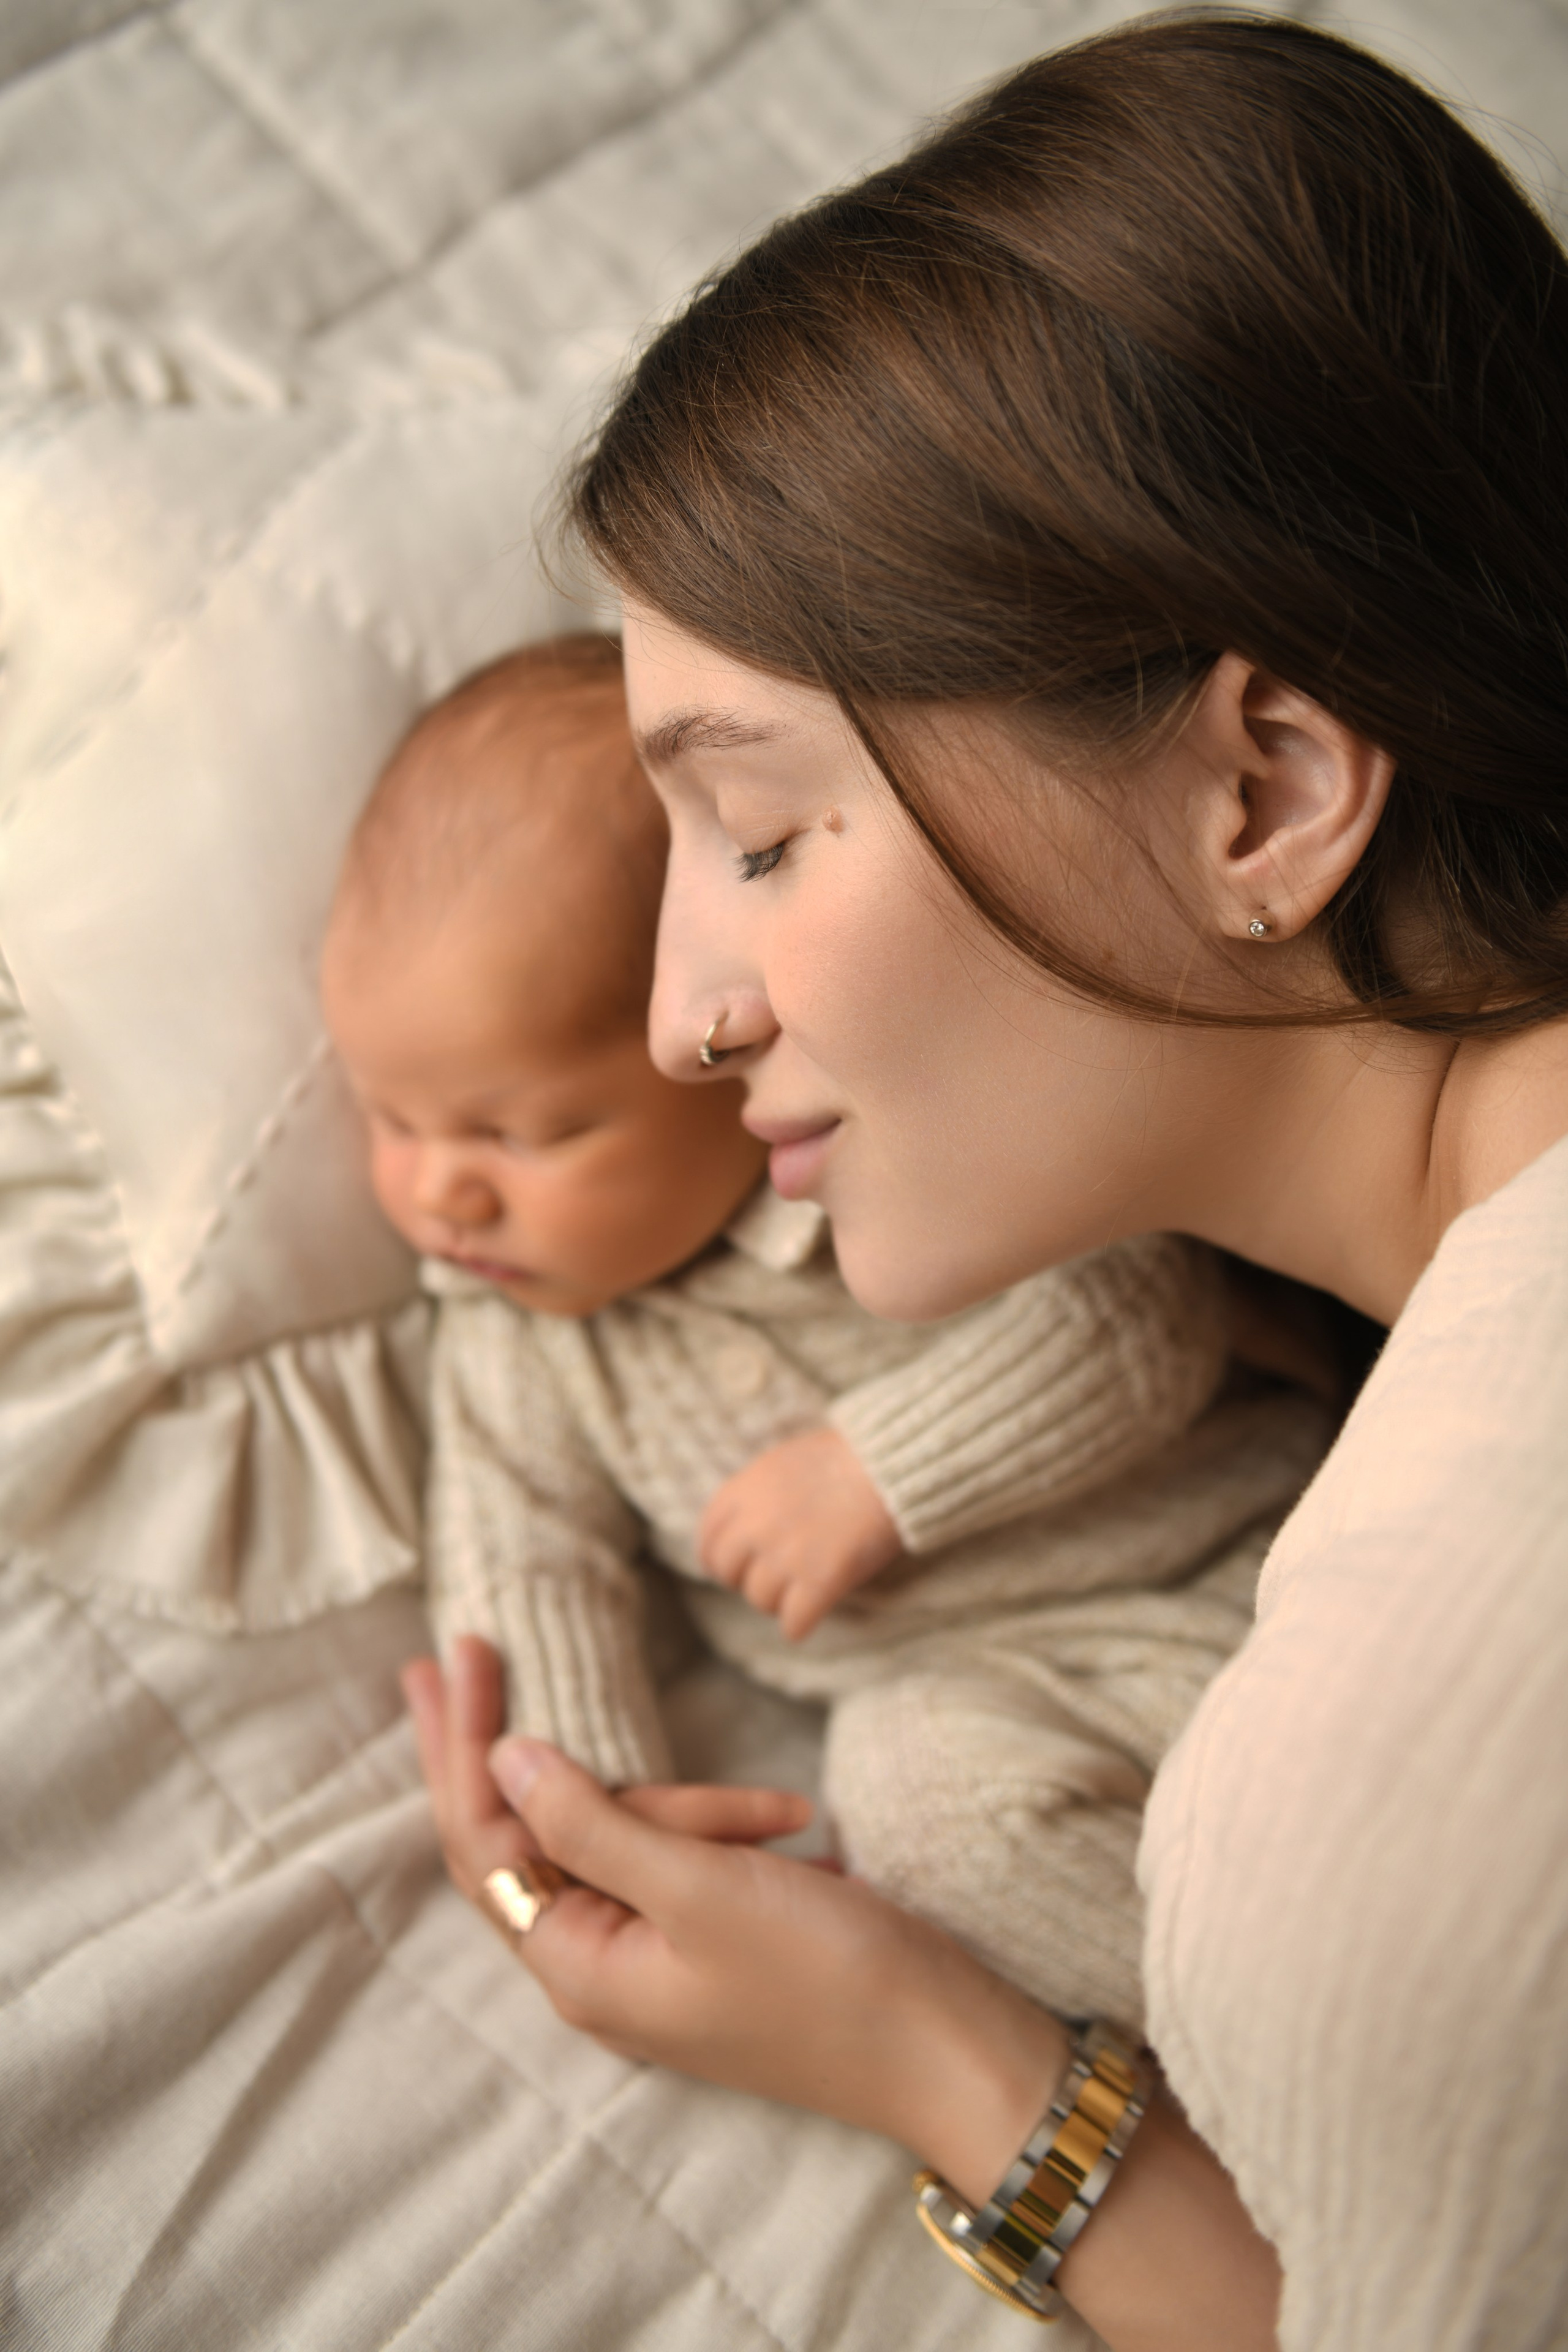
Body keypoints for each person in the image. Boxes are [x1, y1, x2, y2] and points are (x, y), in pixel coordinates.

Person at [402, 16, 1568, 2348]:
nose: (678, 1018)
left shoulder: (1387, 1800)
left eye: (755, 835)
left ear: (1262, 792)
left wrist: (934, 2061)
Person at [324, 631, 1324, 2027]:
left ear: (717, 1034)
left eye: (524, 1129)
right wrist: (590, 1812)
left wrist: (879, 1472)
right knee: (906, 1806)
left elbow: (1141, 1309)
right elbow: (526, 1571)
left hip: (1233, 1567)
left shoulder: (880, 1182)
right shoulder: (515, 1341)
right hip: (990, 1697)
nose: (440, 1192)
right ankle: (1251, 2061)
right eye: (392, 1117)